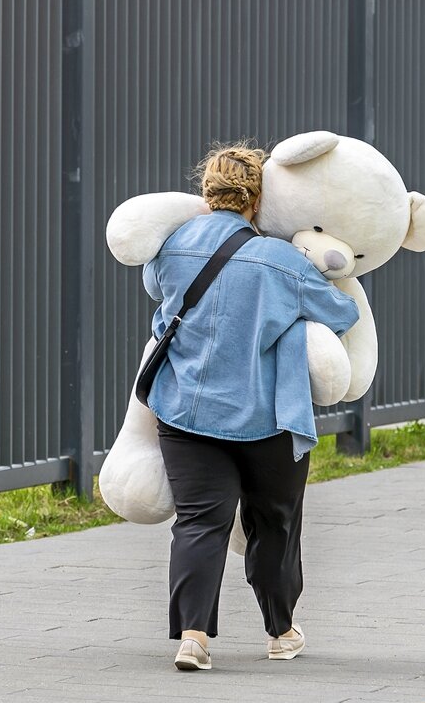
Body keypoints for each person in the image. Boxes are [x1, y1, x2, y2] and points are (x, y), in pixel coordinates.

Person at [141, 143, 360, 671]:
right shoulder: (283, 262)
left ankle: (193, 637)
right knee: (275, 524)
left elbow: (158, 295)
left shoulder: (171, 246)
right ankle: (281, 631)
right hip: (267, 419)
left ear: (205, 191)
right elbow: (341, 314)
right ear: (258, 198)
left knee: (199, 523)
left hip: (186, 413)